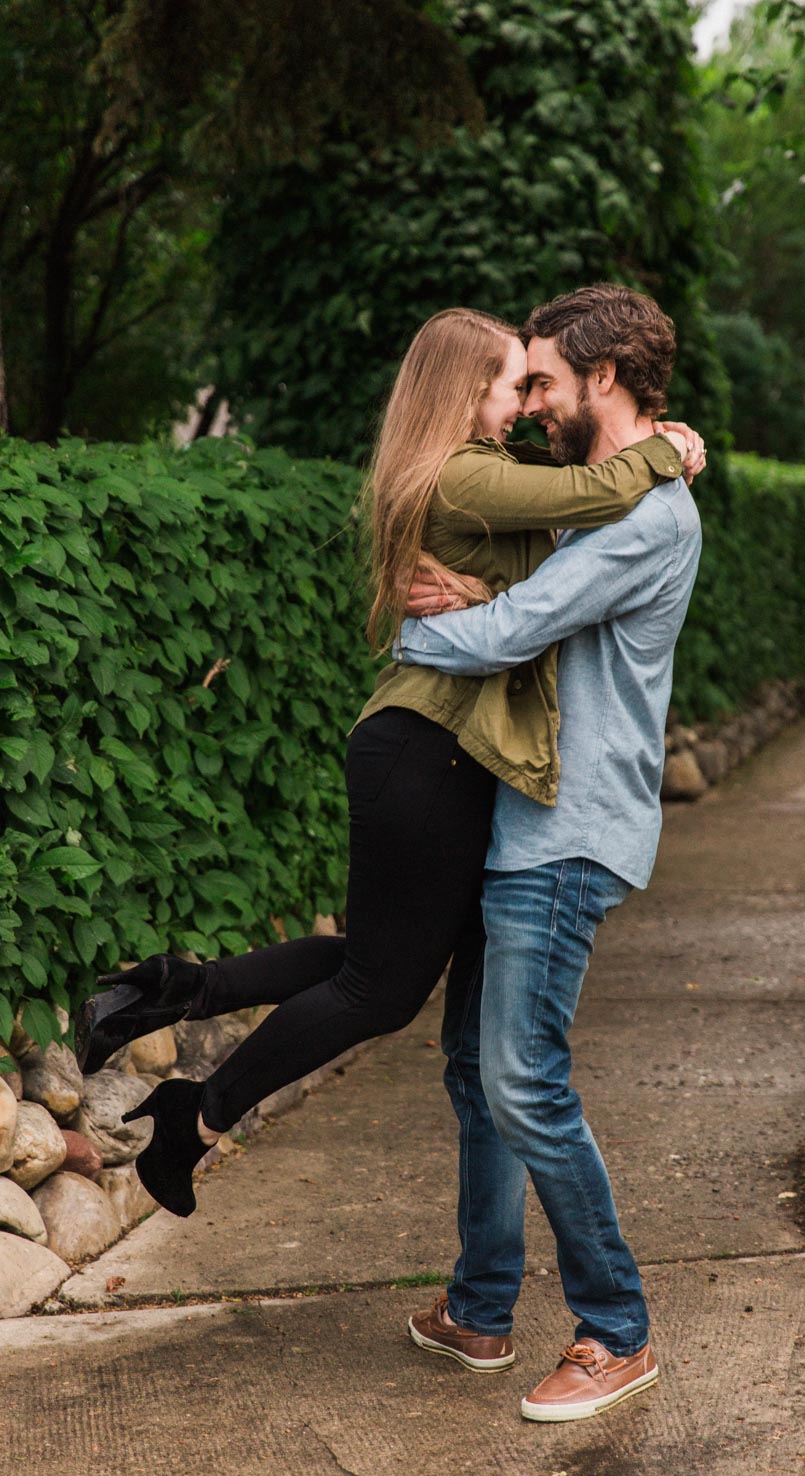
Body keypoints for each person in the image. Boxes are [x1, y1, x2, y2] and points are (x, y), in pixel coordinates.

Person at [74, 302, 703, 1222]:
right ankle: (198, 1113)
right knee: (381, 988)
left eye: (536, 383)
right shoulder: (463, 473)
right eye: (510, 383)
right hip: (427, 751)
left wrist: (484, 594)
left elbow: (546, 573)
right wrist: (670, 451)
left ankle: (172, 991)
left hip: (426, 751)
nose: (524, 402)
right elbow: (581, 515)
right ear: (466, 389)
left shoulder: (478, 472)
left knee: (377, 963)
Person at [398, 284, 702, 1422]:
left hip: (568, 832)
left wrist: (407, 620)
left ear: (602, 381)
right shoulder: (599, 500)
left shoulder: (641, 519)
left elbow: (517, 630)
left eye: (541, 384)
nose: (524, 406)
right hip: (519, 816)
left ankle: (616, 1330)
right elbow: (521, 590)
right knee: (477, 1074)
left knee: (523, 1077)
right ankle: (480, 1309)